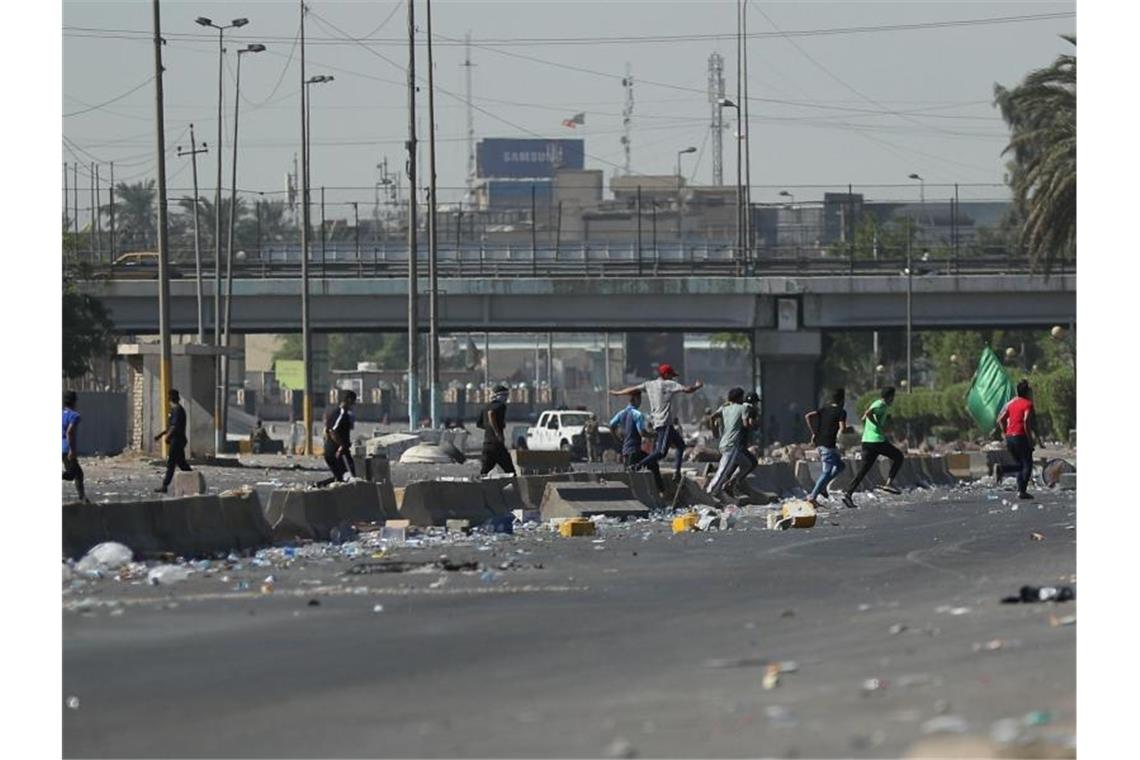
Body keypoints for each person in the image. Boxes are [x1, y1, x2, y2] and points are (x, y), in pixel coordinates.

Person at [610, 364, 703, 486]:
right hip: (663, 422)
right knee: (661, 452)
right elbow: (687, 390)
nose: (673, 378)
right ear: (665, 375)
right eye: (671, 376)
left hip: (664, 423)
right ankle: (638, 466)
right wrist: (697, 386)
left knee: (680, 445)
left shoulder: (649, 384)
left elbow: (632, 389)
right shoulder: (668, 384)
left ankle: (677, 472)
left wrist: (618, 393)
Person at [841, 387, 904, 508]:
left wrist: (874, 423)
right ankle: (889, 483)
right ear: (890, 397)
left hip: (867, 441)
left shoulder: (877, 403)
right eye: (893, 397)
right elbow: (867, 414)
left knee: (863, 470)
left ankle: (847, 494)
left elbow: (865, 417)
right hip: (877, 441)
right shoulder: (881, 404)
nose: (893, 400)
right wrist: (878, 426)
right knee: (899, 456)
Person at [804, 387, 849, 508]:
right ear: (842, 400)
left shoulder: (824, 409)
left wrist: (814, 432)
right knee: (827, 471)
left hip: (820, 443)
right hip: (828, 444)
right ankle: (812, 496)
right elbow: (843, 429)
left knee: (840, 466)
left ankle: (822, 487)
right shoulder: (841, 412)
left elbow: (808, 416)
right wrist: (848, 430)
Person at [995, 379, 1038, 500]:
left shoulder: (1010, 403)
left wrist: (1005, 433)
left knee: (1020, 465)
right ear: (1027, 392)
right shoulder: (1027, 404)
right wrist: (1030, 439)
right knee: (1027, 465)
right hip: (1021, 436)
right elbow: (1025, 421)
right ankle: (1020, 489)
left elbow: (1000, 419)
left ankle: (1019, 488)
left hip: (1010, 437)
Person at [610, 391, 661, 487]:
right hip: (634, 451)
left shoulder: (621, 413)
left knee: (630, 475)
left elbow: (611, 425)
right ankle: (661, 490)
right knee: (652, 465)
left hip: (625, 451)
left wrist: (617, 440)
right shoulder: (637, 414)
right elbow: (642, 432)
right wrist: (655, 435)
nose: (640, 402)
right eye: (640, 400)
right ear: (636, 399)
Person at [706, 387, 747, 498]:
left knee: (747, 463)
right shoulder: (742, 408)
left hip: (724, 443)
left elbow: (712, 417)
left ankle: (727, 486)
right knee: (723, 471)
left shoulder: (724, 407)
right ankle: (710, 493)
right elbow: (746, 424)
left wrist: (715, 432)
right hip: (731, 444)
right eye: (742, 397)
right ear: (739, 398)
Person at [724, 390, 761, 496]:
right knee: (752, 462)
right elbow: (750, 424)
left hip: (731, 441)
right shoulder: (751, 409)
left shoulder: (737, 408)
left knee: (735, 464)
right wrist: (756, 421)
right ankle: (733, 483)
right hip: (740, 443)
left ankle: (729, 484)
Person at [154, 388, 192, 493]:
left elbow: (174, 427)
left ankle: (164, 486)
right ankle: (194, 479)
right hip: (177, 440)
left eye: (169, 396)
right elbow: (170, 426)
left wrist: (168, 437)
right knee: (181, 463)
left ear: (171, 398)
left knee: (171, 463)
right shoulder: (174, 410)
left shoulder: (177, 410)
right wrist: (160, 435)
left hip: (177, 440)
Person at [318, 391, 357, 487]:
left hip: (331, 451)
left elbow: (326, 431)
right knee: (351, 475)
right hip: (338, 452)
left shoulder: (334, 412)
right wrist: (341, 445)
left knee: (339, 478)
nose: (354, 404)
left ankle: (318, 486)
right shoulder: (341, 414)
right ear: (348, 400)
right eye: (353, 401)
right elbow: (332, 431)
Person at [477, 384, 516, 476]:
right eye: (505, 395)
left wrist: (489, 428)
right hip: (497, 445)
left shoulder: (485, 407)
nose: (506, 398)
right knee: (511, 472)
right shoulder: (501, 406)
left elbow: (479, 424)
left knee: (484, 474)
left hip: (487, 445)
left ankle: (480, 490)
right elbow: (491, 414)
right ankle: (517, 489)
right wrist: (497, 432)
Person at [62, 390, 87, 502]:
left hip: (61, 448)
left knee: (75, 474)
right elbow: (70, 432)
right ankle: (82, 498)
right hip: (67, 449)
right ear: (74, 402)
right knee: (75, 474)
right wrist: (72, 450)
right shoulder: (75, 416)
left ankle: (82, 498)